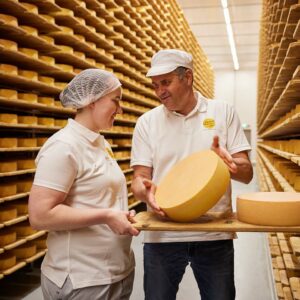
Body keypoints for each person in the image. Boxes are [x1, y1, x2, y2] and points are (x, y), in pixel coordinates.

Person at [131, 49, 253, 300]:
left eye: (166, 82)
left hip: (214, 232)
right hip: (162, 235)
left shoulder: (223, 112)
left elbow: (247, 174)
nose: (160, 91)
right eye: (155, 85)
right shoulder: (147, 122)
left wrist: (230, 165)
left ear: (187, 77)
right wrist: (146, 191)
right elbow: (138, 180)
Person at [29, 69, 139, 300]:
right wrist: (107, 216)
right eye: (115, 101)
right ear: (92, 100)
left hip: (115, 273)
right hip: (82, 279)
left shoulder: (98, 143)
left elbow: (97, 200)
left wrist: (118, 214)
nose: (120, 109)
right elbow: (40, 216)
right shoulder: (64, 146)